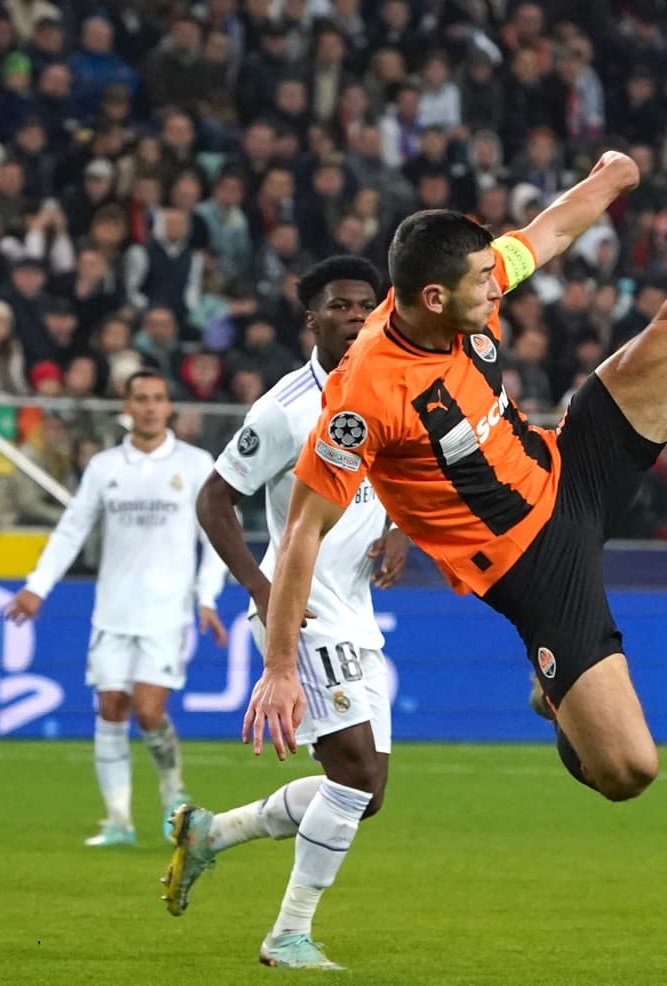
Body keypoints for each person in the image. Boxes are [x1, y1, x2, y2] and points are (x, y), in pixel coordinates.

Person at [245, 34, 667, 812]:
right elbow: (301, 531)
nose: (499, 283)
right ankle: (557, 698)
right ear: (434, 300)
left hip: (566, 463)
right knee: (628, 772)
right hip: (533, 564)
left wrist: (609, 179)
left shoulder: (464, 283)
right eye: (483, 280)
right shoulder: (363, 396)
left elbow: (544, 234)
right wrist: (279, 667)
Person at [160, 257, 412, 970]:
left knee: (367, 793)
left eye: (368, 304)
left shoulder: (388, 387)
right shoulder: (284, 407)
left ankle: (211, 833)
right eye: (340, 306)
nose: (358, 316)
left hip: (354, 608)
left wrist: (399, 530)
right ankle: (287, 935)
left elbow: (400, 476)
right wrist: (259, 588)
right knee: (355, 774)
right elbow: (214, 498)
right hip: (300, 612)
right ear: (314, 320)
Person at [3, 370, 227, 846]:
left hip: (166, 611)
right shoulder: (106, 466)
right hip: (111, 610)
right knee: (110, 706)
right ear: (127, 407)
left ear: (168, 406)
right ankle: (119, 821)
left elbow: (215, 539)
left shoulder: (195, 463)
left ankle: (173, 789)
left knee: (147, 712)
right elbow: (73, 527)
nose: (149, 407)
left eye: (158, 398)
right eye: (141, 399)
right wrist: (37, 586)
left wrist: (206, 598)